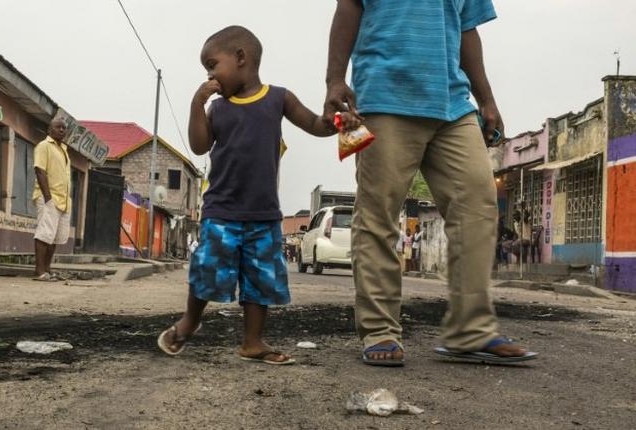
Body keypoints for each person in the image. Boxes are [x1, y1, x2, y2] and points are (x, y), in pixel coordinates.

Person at [324, 0, 536, 365]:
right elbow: (348, 9)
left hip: (453, 103)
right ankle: (380, 331)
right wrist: (335, 80)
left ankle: (471, 330)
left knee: (477, 203)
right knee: (378, 215)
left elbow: (467, 28)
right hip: (385, 97)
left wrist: (486, 99)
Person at [157, 25, 359, 365]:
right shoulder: (217, 108)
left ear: (240, 59)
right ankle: (190, 322)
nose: (209, 75)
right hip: (221, 210)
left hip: (264, 214)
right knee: (207, 270)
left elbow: (314, 124)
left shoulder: (278, 98)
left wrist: (341, 122)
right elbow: (199, 144)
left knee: (260, 280)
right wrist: (197, 103)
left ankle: (253, 342)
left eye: (212, 64)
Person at [32, 118, 71, 281]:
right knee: (44, 234)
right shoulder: (44, 146)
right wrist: (48, 197)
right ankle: (40, 270)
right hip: (50, 197)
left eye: (64, 128)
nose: (61, 130)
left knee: (54, 236)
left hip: (64, 200)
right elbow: (40, 171)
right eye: (58, 127)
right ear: (50, 129)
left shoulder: (64, 149)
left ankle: (47, 269)